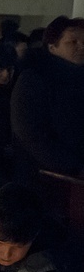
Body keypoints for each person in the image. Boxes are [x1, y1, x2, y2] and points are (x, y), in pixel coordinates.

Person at [11, 16, 84, 179]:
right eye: (73, 42)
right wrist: (73, 167)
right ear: (52, 47)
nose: (81, 47)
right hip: (44, 174)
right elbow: (30, 133)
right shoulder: (34, 78)